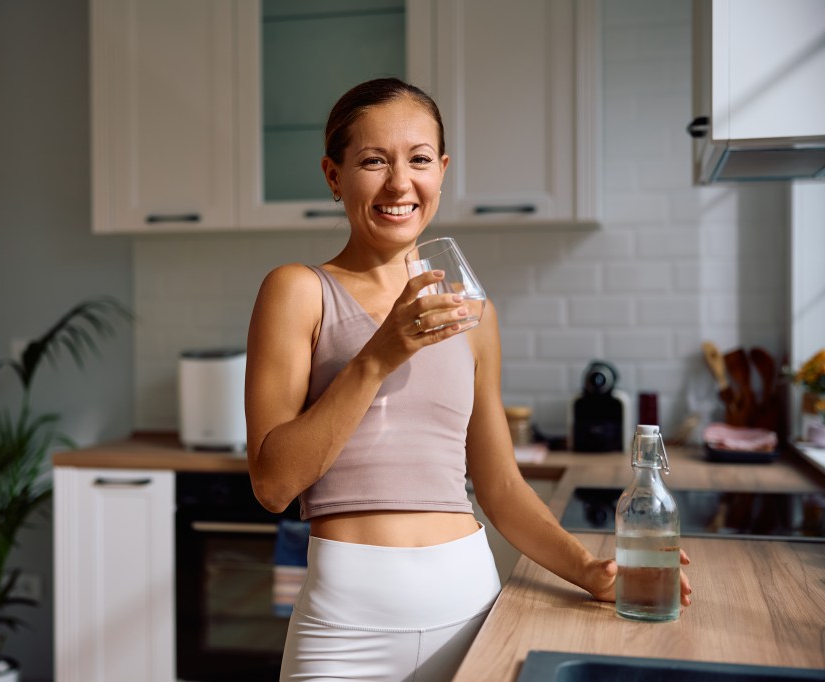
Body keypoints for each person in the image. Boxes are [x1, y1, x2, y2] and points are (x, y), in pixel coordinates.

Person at [245, 77, 692, 681]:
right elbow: (273, 483)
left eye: (420, 160)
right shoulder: (297, 291)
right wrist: (378, 356)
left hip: (468, 604)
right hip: (346, 622)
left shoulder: (473, 313)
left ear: (443, 169)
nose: (400, 183)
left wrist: (590, 570)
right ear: (333, 175)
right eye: (373, 161)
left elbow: (501, 488)